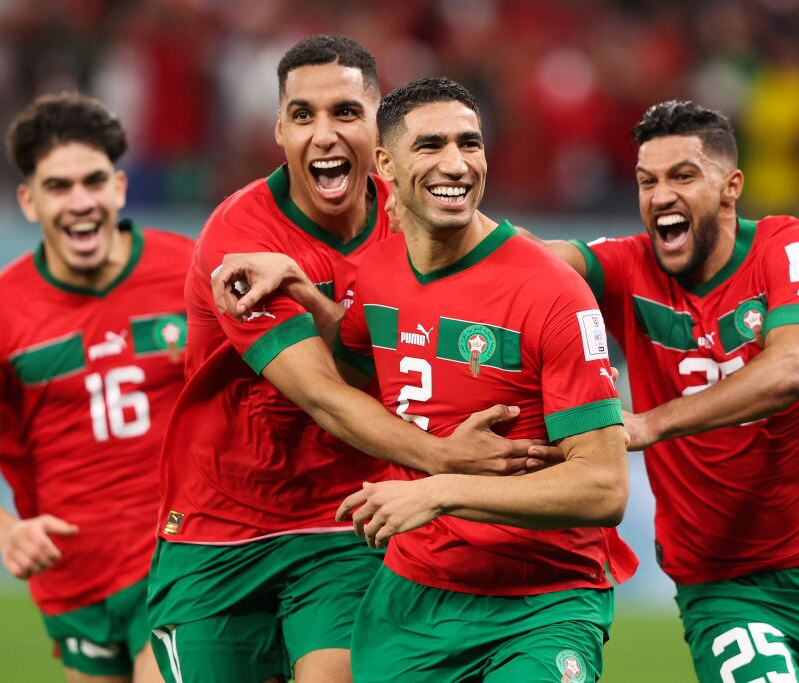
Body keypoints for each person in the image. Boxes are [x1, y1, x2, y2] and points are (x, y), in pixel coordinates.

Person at [147, 36, 557, 683]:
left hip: (346, 521)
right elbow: (322, 391)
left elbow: (497, 275)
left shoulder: (412, 221)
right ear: (279, 130)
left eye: (345, 112)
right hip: (217, 529)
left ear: (379, 131)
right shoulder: (242, 238)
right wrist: (443, 460)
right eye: (303, 115)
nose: (324, 133)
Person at [235, 76, 636, 683]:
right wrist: (302, 289)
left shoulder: (552, 292)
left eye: (469, 144)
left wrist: (439, 489)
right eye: (431, 146)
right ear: (386, 165)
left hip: (541, 604)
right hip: (413, 601)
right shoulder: (379, 273)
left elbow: (605, 488)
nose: (456, 163)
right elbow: (359, 368)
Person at [531, 100, 799, 681]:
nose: (660, 196)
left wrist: (652, 423)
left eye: (683, 176)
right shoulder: (628, 268)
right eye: (647, 181)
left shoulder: (791, 249)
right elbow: (527, 264)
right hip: (724, 583)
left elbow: (791, 370)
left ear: (731, 187)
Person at [0, 92, 192, 682]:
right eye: (58, 187)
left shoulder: (191, 274)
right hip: (74, 581)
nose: (81, 202)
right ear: (28, 200)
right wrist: (4, 531)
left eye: (93, 181)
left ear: (119, 187)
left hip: (182, 562)